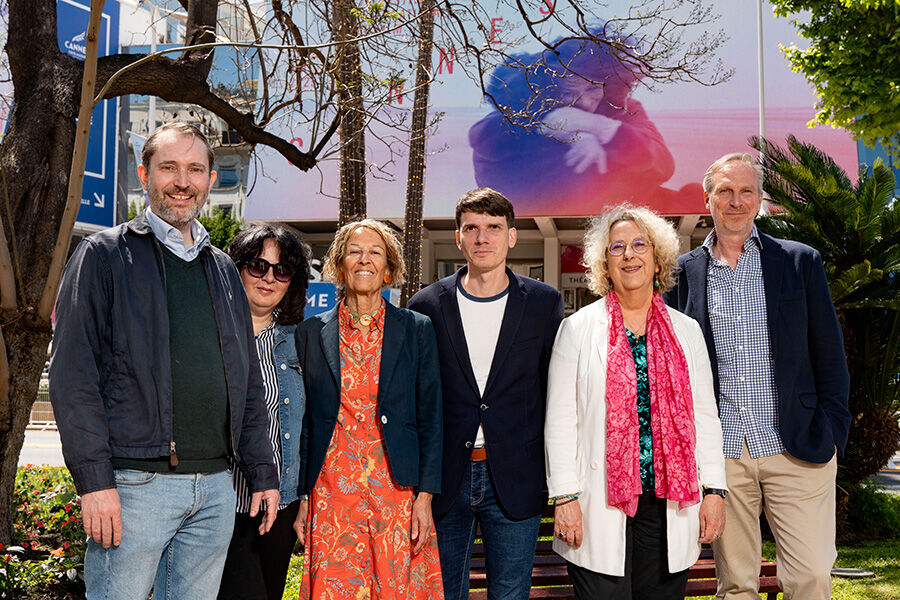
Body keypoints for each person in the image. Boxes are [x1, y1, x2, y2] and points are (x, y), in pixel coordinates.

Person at [49, 122, 279, 600]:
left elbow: (247, 381)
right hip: (134, 486)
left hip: (215, 488)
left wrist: (262, 471)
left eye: (195, 169)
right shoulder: (102, 256)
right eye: (169, 167)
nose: (182, 181)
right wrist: (95, 483)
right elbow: (74, 380)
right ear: (144, 174)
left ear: (211, 181)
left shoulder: (221, 269)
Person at [664, 153, 851, 599]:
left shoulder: (799, 262)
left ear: (760, 199)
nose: (736, 201)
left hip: (797, 447)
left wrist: (833, 430)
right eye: (725, 191)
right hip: (723, 455)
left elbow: (829, 354)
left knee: (810, 576)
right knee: (736, 585)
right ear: (706, 198)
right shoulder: (682, 274)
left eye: (746, 191)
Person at [544, 205, 728, 599]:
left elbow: (705, 417)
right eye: (617, 248)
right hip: (598, 501)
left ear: (658, 259)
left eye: (639, 245)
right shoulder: (576, 330)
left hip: (668, 506)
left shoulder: (687, 331)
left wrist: (714, 490)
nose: (629, 254)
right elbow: (560, 420)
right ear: (604, 265)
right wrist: (564, 496)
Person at [408, 187, 564, 600]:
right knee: (443, 593)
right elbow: (417, 400)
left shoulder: (544, 303)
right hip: (445, 481)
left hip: (515, 476)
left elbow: (555, 392)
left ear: (511, 236)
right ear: (458, 237)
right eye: (471, 228)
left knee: (510, 594)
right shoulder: (425, 306)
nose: (483, 238)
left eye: (494, 228)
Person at [294, 219, 444, 599]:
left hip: (395, 490)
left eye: (375, 252)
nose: (365, 260)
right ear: (340, 266)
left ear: (388, 268)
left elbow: (431, 418)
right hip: (331, 492)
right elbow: (306, 422)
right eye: (355, 252)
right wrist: (303, 496)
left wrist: (424, 497)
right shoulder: (311, 333)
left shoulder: (416, 329)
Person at [468, 34, 701, 217]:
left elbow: (663, 165)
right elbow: (488, 148)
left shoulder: (624, 109)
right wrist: (563, 132)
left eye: (591, 89)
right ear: (552, 86)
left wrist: (599, 128)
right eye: (569, 92)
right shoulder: (506, 124)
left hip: (637, 220)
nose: (581, 101)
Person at [218, 225, 312, 600]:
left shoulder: (300, 342)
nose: (269, 278)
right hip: (222, 502)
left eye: (282, 270)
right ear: (236, 268)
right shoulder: (213, 334)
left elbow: (311, 426)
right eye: (258, 266)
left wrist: (305, 497)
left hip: (281, 504)